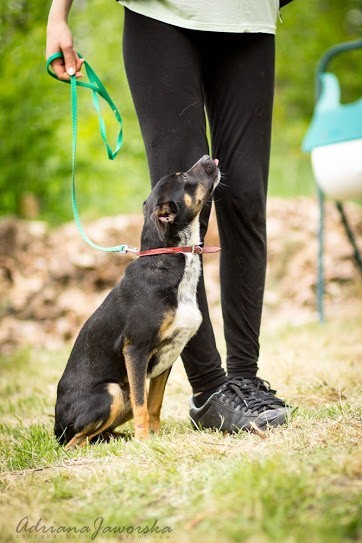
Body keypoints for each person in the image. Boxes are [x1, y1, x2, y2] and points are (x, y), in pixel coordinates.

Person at [46, 0, 294, 433]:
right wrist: (58, 14)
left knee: (247, 199)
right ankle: (211, 389)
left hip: (248, 17)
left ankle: (244, 379)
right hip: (162, 16)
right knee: (180, 202)